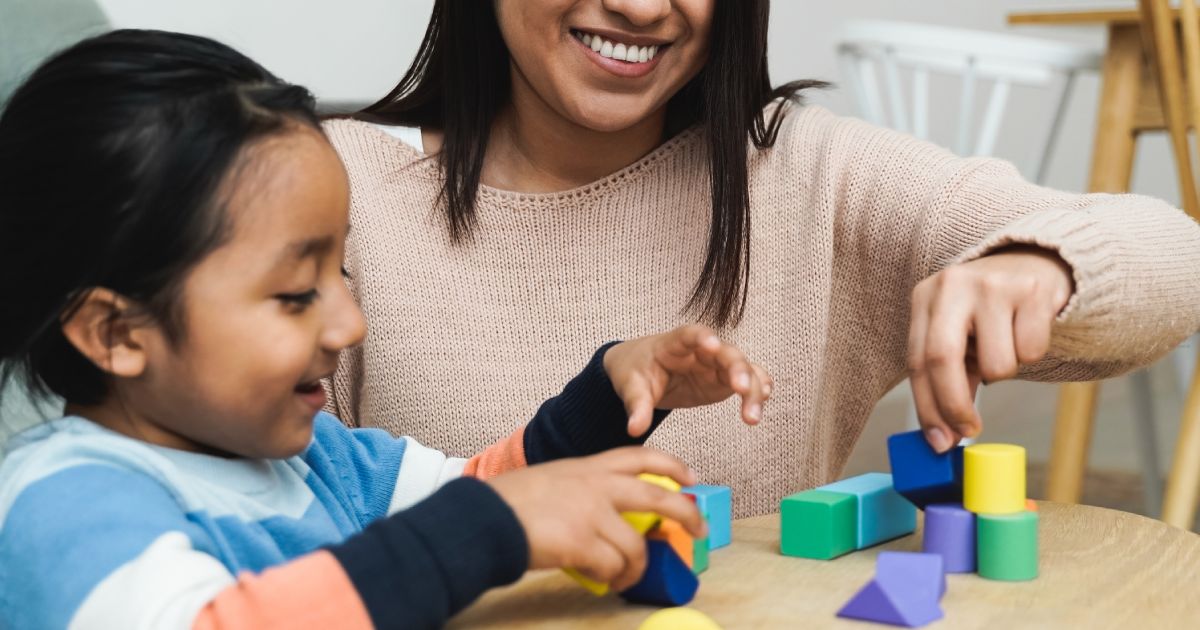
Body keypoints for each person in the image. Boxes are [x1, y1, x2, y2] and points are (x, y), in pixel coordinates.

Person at [0, 30, 774, 629]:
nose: (350, 323)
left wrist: (605, 397)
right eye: (295, 294)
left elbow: (482, 498)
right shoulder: (62, 502)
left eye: (340, 273)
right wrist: (482, 529)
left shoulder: (318, 459)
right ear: (114, 333)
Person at [324, 0, 1200, 516]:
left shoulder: (806, 174)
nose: (639, 6)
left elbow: (1176, 257)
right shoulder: (335, 192)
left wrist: (1036, 262)